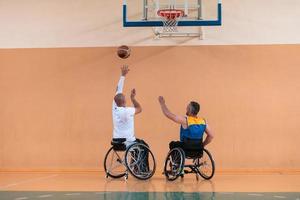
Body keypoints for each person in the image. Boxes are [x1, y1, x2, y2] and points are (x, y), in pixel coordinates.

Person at [112, 65, 148, 147]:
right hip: (128, 142)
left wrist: (122, 76)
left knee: (137, 145)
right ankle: (138, 160)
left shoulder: (114, 108)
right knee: (144, 146)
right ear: (125, 101)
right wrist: (133, 98)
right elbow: (139, 109)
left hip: (116, 141)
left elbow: (118, 90)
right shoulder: (128, 111)